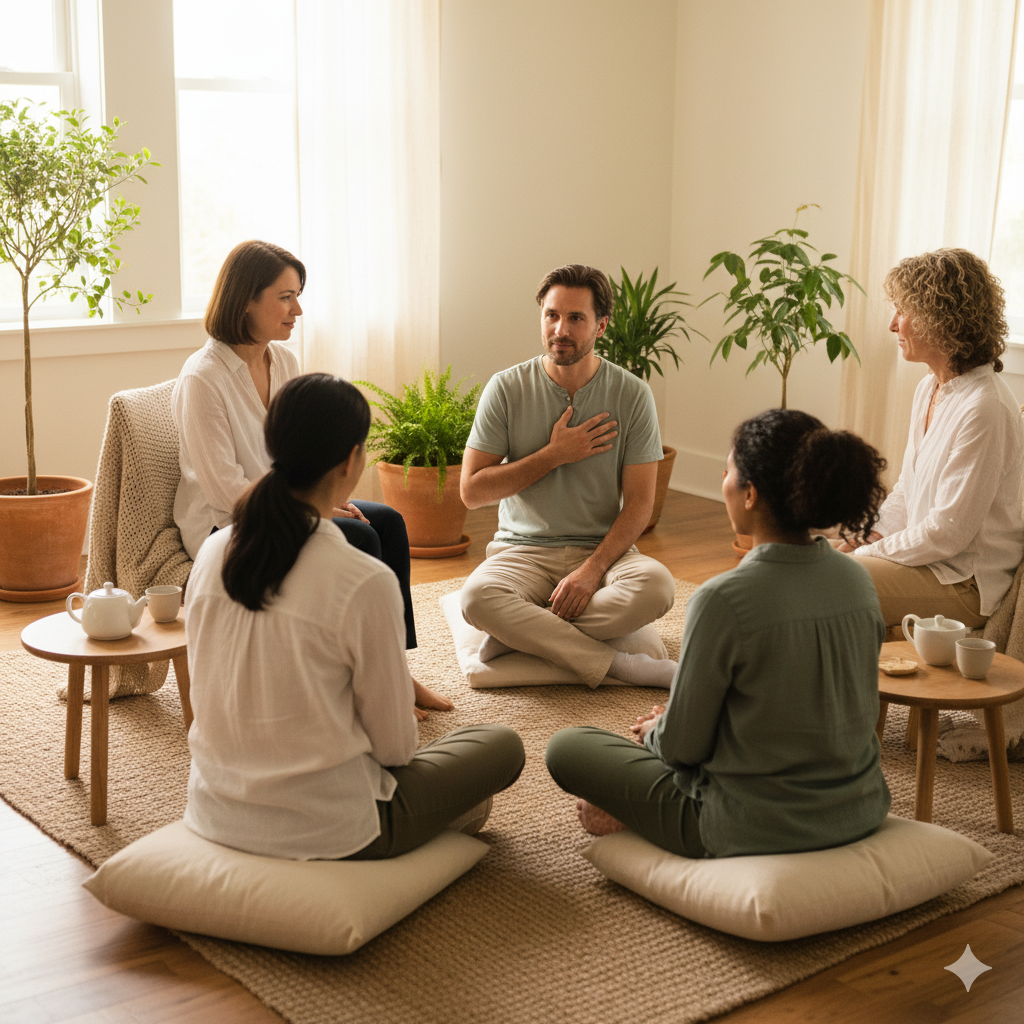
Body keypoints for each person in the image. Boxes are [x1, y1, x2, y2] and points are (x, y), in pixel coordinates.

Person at [183, 373, 525, 860]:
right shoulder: (362, 579)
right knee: (501, 748)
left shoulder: (214, 551)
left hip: (214, 811)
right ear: (351, 461)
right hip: (335, 828)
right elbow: (395, 751)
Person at [546, 409, 892, 858]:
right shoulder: (858, 580)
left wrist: (657, 730)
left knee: (568, 746)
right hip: (860, 808)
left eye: (728, 470)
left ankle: (639, 816)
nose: (722, 479)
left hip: (747, 825)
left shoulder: (723, 598)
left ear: (749, 494)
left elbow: (682, 748)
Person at [172, 239, 451, 718]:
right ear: (245, 300)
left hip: (292, 502)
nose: (297, 309)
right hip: (231, 524)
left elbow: (300, 455)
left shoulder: (284, 363)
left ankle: (393, 669)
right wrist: (312, 507)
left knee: (388, 523)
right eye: (285, 297)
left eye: (297, 295)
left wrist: (320, 500)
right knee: (358, 535)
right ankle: (369, 683)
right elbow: (224, 489)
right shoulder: (203, 378)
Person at [459, 264, 676, 689]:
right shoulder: (505, 388)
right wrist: (554, 455)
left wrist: (592, 570)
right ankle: (619, 664)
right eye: (552, 315)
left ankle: (522, 637)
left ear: (601, 325)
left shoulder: (632, 394)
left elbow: (639, 504)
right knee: (477, 598)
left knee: (658, 586)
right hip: (520, 552)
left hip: (603, 552)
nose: (561, 328)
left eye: (576, 318)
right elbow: (471, 491)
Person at [838, 248, 1024, 630]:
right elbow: (908, 488)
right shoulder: (929, 388)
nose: (893, 325)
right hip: (929, 562)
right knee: (817, 568)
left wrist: (870, 553)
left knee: (831, 582)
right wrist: (869, 535)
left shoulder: (985, 407)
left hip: (963, 582)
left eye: (902, 311)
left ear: (940, 319)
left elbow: (947, 532)